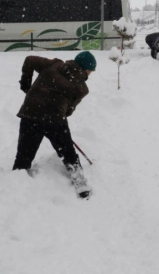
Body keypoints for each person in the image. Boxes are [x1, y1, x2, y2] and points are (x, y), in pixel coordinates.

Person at [13, 51, 97, 199]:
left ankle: (16, 186)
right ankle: (78, 179)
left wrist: (26, 84)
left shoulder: (53, 64)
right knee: (67, 152)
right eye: (90, 71)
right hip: (55, 121)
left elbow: (29, 60)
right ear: (85, 69)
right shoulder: (82, 88)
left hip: (30, 114)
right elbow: (69, 110)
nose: (90, 74)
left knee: (23, 157)